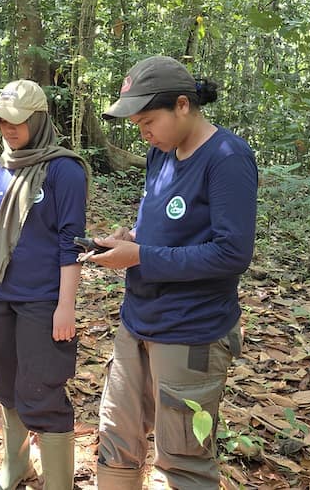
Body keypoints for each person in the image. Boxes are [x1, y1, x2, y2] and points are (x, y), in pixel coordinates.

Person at [92, 55, 257, 489]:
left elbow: (231, 253)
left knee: (182, 458)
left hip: (190, 329)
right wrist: (129, 237)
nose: (143, 131)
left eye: (149, 120)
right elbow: (160, 222)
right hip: (138, 320)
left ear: (183, 105)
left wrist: (141, 255)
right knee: (116, 438)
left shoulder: (227, 158)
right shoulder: (159, 154)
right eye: (138, 124)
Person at [0, 79, 90, 490]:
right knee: (6, 384)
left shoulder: (63, 170)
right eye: (2, 122)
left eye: (17, 122)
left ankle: (59, 482)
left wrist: (65, 306)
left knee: (43, 391)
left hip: (42, 300)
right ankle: (17, 465)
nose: (9, 130)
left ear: (38, 120)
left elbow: (69, 243)